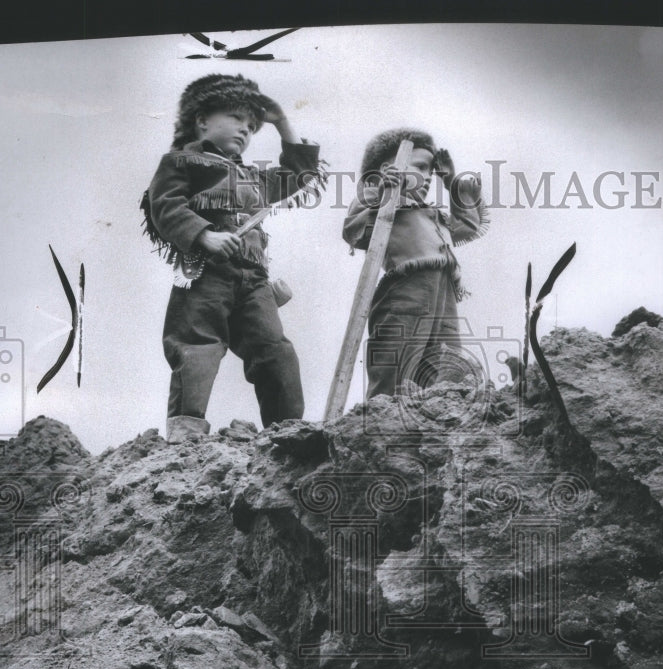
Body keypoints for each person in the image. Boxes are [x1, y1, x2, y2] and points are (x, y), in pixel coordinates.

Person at [142, 74, 323, 443]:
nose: (245, 129)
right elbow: (165, 205)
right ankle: (185, 435)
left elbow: (300, 175)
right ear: (202, 119)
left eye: (251, 125)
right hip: (206, 273)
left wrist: (282, 121)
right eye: (236, 118)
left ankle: (286, 432)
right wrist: (204, 234)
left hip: (254, 280)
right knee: (197, 346)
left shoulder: (255, 178)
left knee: (274, 349)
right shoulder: (181, 161)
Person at [342, 128, 489, 398]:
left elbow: (468, 225)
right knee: (396, 360)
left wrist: (451, 182)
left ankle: (433, 424)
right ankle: (382, 424)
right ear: (391, 168)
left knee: (444, 366)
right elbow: (354, 229)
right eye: (420, 167)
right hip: (406, 291)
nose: (427, 178)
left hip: (443, 295)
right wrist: (387, 190)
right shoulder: (385, 201)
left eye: (431, 173)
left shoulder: (432, 215)